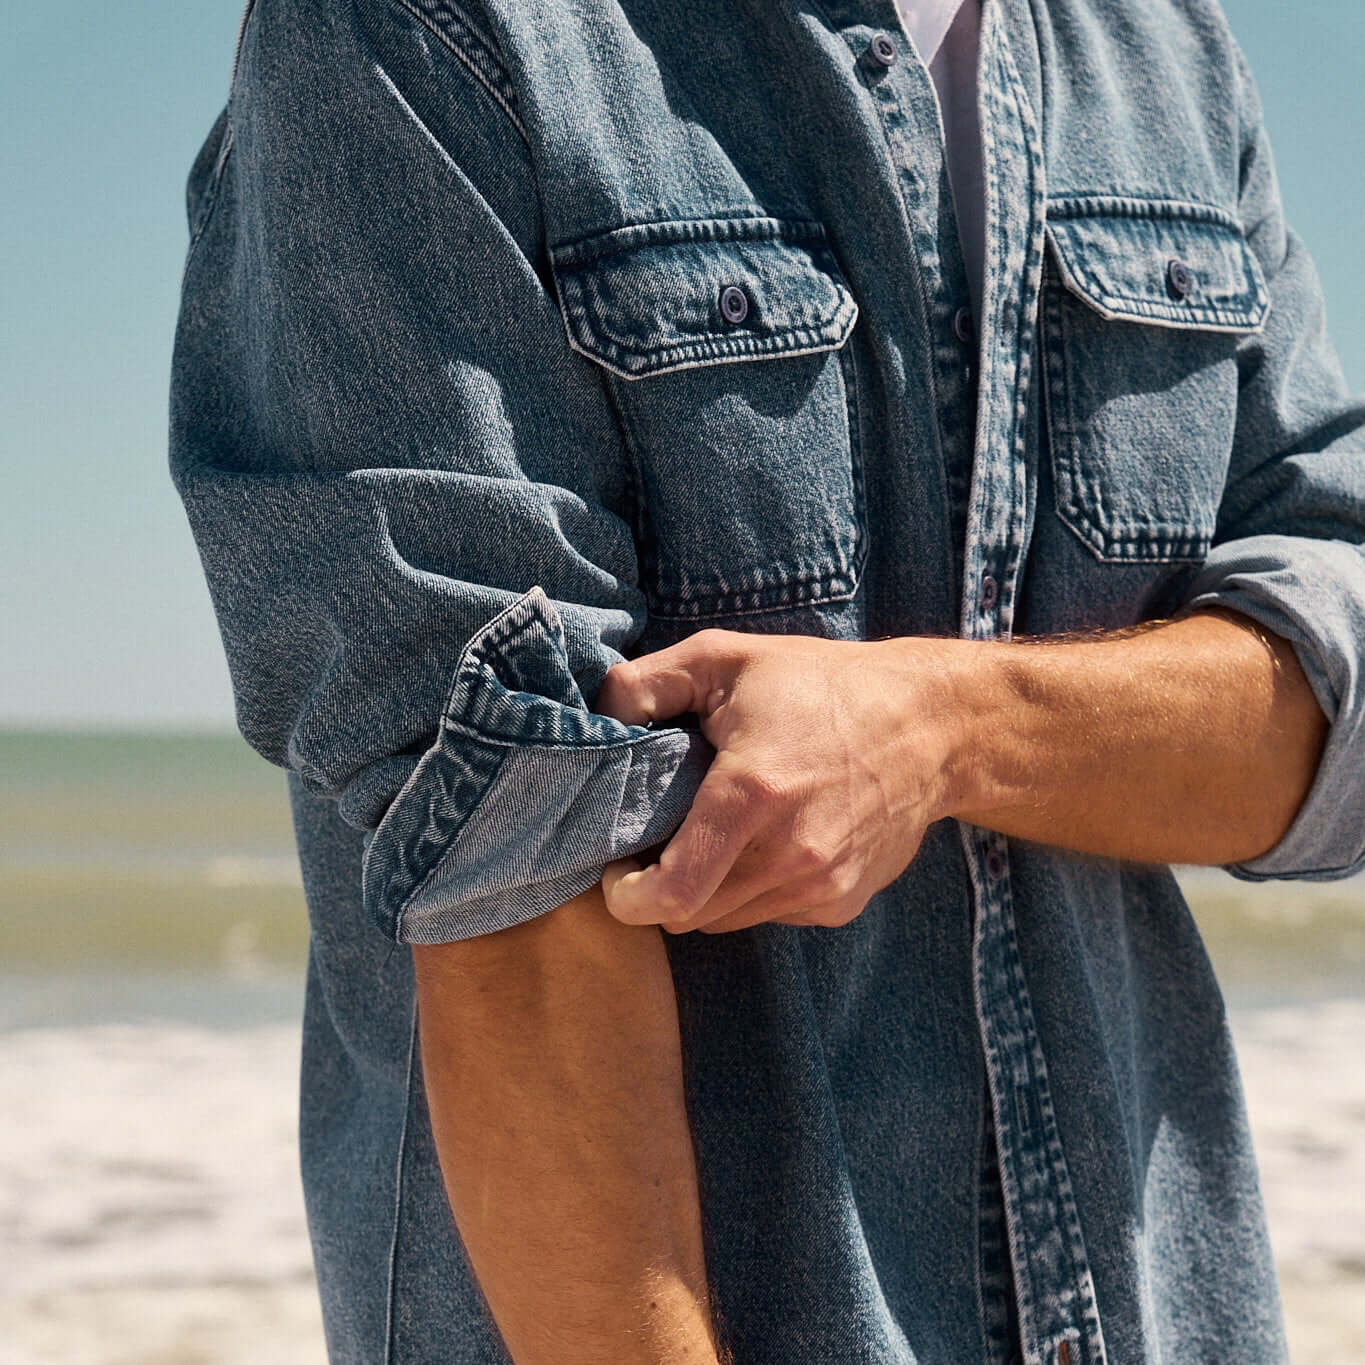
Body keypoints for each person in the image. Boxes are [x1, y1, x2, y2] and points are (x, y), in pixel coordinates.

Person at [167, 0, 1364, 1360]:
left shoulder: (1161, 46)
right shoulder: (425, 29)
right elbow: (505, 870)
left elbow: (1336, 724)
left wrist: (942, 729)